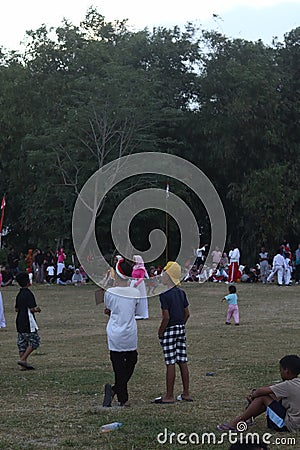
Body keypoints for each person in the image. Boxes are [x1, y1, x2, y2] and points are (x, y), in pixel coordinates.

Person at [218, 354, 300, 433]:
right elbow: (273, 392)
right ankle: (248, 419)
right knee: (271, 395)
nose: (280, 373)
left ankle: (237, 422)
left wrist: (253, 395)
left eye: (280, 370)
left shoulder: (288, 385)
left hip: (289, 426)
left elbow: (260, 392)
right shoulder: (296, 383)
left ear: (287, 371)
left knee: (262, 397)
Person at [152, 261, 192, 404]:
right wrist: (180, 325)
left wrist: (160, 331)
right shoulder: (181, 293)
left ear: (168, 276)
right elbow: (187, 314)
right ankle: (186, 393)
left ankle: (169, 395)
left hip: (169, 330)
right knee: (182, 360)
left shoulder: (164, 294)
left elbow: (166, 317)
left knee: (170, 362)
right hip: (181, 328)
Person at [102, 258, 140, 407]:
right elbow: (137, 310)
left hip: (115, 332)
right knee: (131, 361)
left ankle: (116, 391)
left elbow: (109, 310)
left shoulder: (110, 292)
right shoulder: (135, 292)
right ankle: (122, 397)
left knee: (118, 365)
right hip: (130, 332)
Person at [15, 272, 41, 370]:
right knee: (35, 341)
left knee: (22, 342)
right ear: (28, 282)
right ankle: (23, 359)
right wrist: (37, 309)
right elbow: (32, 308)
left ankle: (23, 364)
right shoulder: (29, 294)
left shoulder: (19, 294)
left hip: (19, 320)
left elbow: (16, 309)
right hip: (28, 321)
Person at [131, 255, 149, 319]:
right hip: (133, 282)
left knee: (140, 297)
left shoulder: (142, 269)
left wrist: (137, 283)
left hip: (139, 283)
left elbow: (142, 277)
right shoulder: (134, 267)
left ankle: (141, 312)